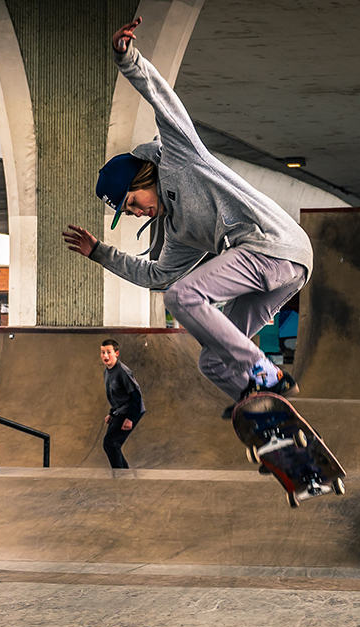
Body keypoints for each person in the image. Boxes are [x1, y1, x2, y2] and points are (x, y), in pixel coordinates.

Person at [63, 17, 313, 420]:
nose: (137, 212)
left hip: (273, 244)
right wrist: (100, 253)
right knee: (211, 361)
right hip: (282, 272)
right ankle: (268, 420)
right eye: (129, 212)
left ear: (142, 176)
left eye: (132, 202)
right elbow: (156, 275)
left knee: (183, 297)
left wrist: (128, 60)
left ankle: (263, 371)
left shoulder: (181, 159)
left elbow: (164, 102)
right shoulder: (177, 232)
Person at [99, 338, 145, 469]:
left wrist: (130, 418)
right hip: (120, 410)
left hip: (131, 409)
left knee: (110, 442)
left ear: (116, 353)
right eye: (103, 352)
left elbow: (136, 395)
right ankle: (124, 474)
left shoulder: (123, 371)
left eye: (109, 352)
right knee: (112, 443)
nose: (105, 356)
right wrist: (112, 414)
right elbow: (117, 396)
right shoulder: (107, 371)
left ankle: (121, 476)